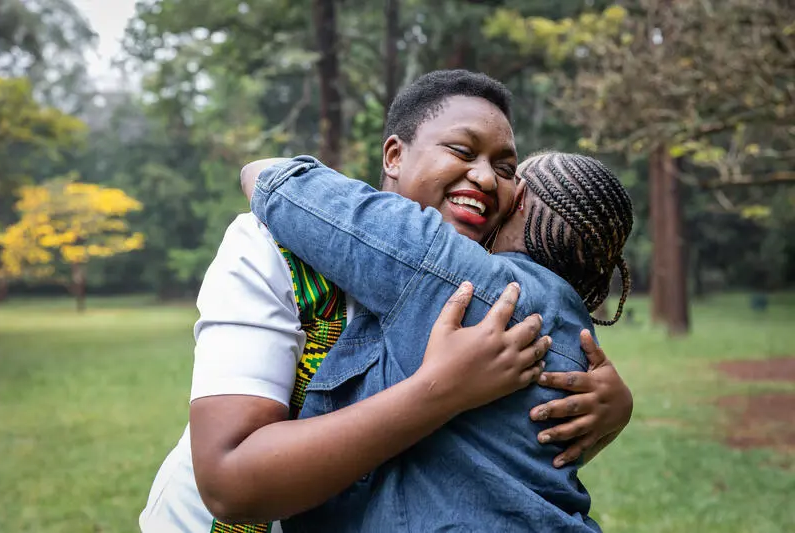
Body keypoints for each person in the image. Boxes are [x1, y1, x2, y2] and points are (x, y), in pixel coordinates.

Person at [140, 70, 632, 533]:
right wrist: (442, 389)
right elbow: (230, 483)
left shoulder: (496, 299)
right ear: (393, 156)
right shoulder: (272, 244)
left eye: (506, 169)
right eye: (462, 150)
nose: (485, 178)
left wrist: (613, 409)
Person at [244, 150, 633, 532]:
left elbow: (273, 180)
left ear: (517, 200)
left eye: (507, 174)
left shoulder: (458, 272)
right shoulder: (581, 346)